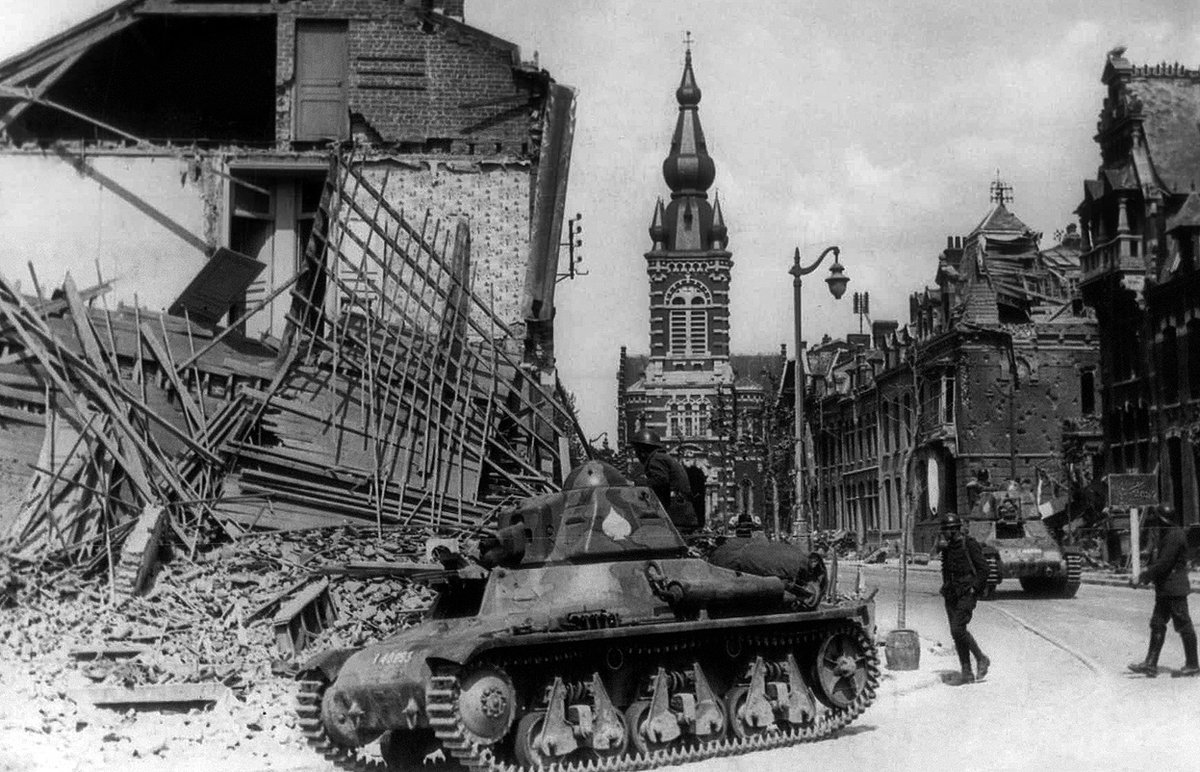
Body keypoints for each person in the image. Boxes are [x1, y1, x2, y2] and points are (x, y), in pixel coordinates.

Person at [1128, 505, 1198, 677]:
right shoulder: (1168, 534)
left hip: (1174, 588)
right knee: (1157, 623)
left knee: (1183, 625)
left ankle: (1193, 664)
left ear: (1163, 520)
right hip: (1166, 589)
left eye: (1157, 519)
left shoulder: (1174, 535)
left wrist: (1142, 577)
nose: (1155, 522)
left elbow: (1164, 564)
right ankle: (1150, 664)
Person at [939, 512, 991, 684]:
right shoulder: (947, 549)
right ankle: (966, 672)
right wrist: (946, 587)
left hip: (966, 592)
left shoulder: (969, 544)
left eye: (947, 531)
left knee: (957, 629)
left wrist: (974, 589)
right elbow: (946, 570)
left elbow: (984, 569)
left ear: (954, 530)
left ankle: (981, 658)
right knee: (957, 634)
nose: (944, 534)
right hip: (951, 593)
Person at [629, 428, 698, 534]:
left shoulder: (656, 459)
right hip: (682, 514)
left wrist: (635, 483)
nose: (636, 455)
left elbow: (660, 481)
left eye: (636, 451)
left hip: (675, 517)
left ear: (642, 451)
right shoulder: (662, 457)